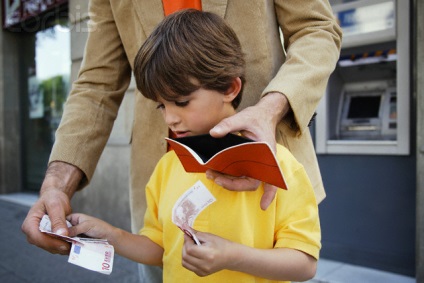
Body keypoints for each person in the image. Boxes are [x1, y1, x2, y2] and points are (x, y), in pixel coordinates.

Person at [21, 0, 341, 282]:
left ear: (231, 87)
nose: (170, 119)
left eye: (182, 102)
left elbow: (302, 263)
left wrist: (271, 109)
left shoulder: (286, 169)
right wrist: (107, 231)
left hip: (266, 156)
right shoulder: (165, 169)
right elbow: (95, 83)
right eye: (161, 105)